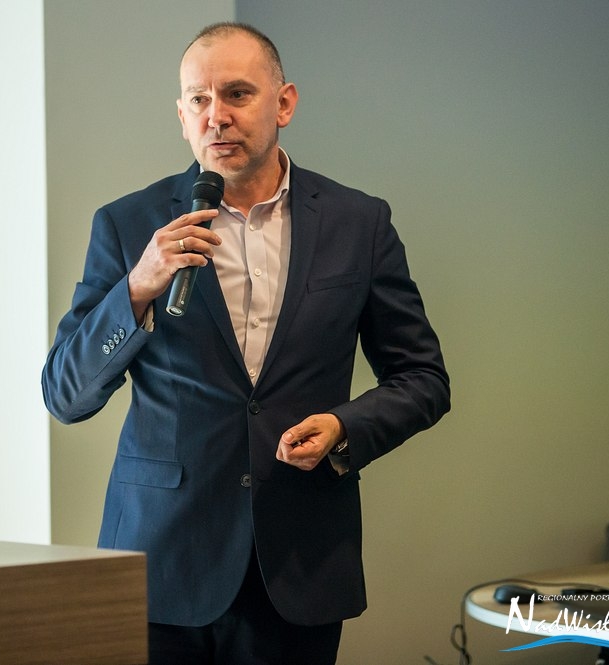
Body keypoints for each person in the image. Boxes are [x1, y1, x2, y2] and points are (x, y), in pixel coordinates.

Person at [42, 22, 450, 665]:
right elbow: (64, 394)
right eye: (199, 100)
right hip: (161, 562)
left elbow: (423, 378)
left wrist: (344, 427)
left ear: (283, 103)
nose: (217, 116)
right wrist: (137, 287)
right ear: (182, 116)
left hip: (298, 561)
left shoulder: (358, 223)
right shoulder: (127, 225)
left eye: (237, 94)